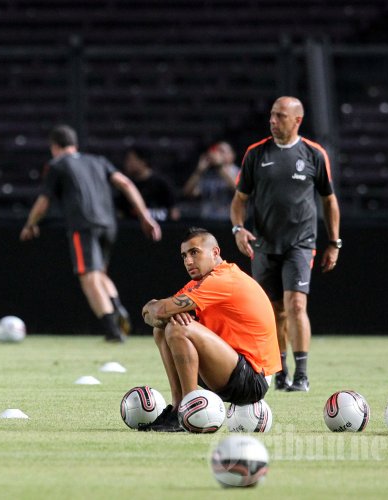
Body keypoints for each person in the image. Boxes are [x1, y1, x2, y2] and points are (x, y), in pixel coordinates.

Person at [230, 96, 341, 393]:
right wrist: (238, 229)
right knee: (273, 310)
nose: (273, 120)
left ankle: (302, 375)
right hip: (264, 244)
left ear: (297, 120)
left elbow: (329, 201)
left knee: (296, 304)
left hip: (300, 243)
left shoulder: (314, 154)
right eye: (272, 115)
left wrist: (334, 242)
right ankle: (280, 371)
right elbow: (239, 200)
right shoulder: (256, 153)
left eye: (280, 116)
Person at [20, 125, 162, 342]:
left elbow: (44, 201)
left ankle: (112, 329)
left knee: (88, 276)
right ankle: (116, 306)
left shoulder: (57, 165)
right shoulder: (98, 161)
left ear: (54, 147)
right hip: (108, 224)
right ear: (75, 144)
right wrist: (145, 216)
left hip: (83, 225)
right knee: (100, 273)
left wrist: (30, 223)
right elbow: (125, 183)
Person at [140, 227, 280, 432]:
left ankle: (187, 412)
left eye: (194, 252)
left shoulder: (223, 279)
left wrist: (158, 310)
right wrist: (158, 311)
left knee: (177, 328)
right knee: (162, 329)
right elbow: (151, 314)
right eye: (184, 256)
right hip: (229, 368)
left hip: (252, 378)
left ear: (215, 252)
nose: (188, 261)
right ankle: (177, 408)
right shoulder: (200, 283)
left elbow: (159, 310)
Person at [116, 146, 180, 222]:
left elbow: (174, 212)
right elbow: (121, 213)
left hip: (160, 225)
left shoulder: (161, 183)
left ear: (143, 161)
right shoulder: (126, 184)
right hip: (133, 227)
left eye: (131, 159)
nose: (127, 163)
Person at [182, 141, 239, 220]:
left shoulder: (237, 171)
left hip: (229, 221)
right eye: (216, 151)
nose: (216, 154)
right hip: (208, 220)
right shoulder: (208, 173)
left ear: (232, 156)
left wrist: (220, 167)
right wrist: (199, 171)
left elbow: (239, 190)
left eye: (222, 151)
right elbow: (188, 193)